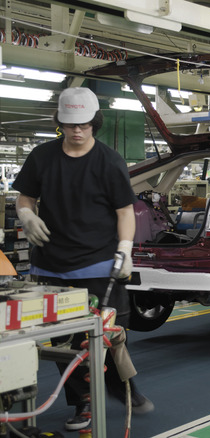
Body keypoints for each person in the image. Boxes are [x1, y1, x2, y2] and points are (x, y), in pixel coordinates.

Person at [12, 87, 153, 431]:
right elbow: (25, 198)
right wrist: (26, 216)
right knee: (64, 344)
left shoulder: (109, 162)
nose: (77, 131)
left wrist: (125, 249)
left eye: (85, 125)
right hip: (51, 266)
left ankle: (122, 385)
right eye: (70, 124)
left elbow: (124, 211)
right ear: (59, 122)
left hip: (98, 264)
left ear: (95, 123)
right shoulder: (41, 157)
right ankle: (84, 402)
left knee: (111, 335)